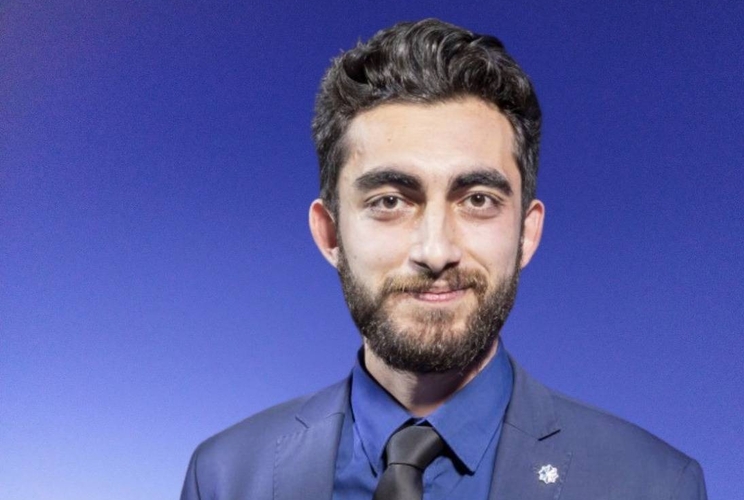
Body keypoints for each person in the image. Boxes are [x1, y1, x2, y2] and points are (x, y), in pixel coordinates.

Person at [180, 18, 707, 500]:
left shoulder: (655, 486)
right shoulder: (225, 477)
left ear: (526, 233)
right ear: (330, 233)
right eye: (390, 201)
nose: (436, 252)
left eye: (477, 199)